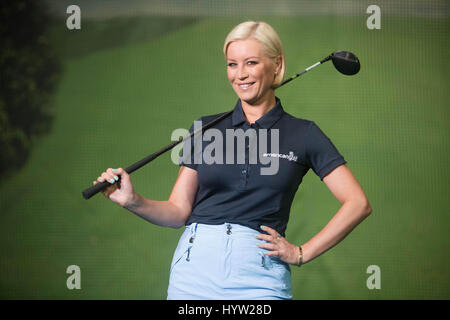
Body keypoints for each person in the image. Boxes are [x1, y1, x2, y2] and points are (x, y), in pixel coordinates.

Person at [93, 21, 372, 300]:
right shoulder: (205, 129)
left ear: (276, 64)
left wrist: (301, 253)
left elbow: (358, 203)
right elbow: (178, 211)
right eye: (232, 64)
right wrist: (133, 200)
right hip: (193, 275)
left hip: (260, 279)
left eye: (250, 63)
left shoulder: (304, 134)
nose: (240, 75)